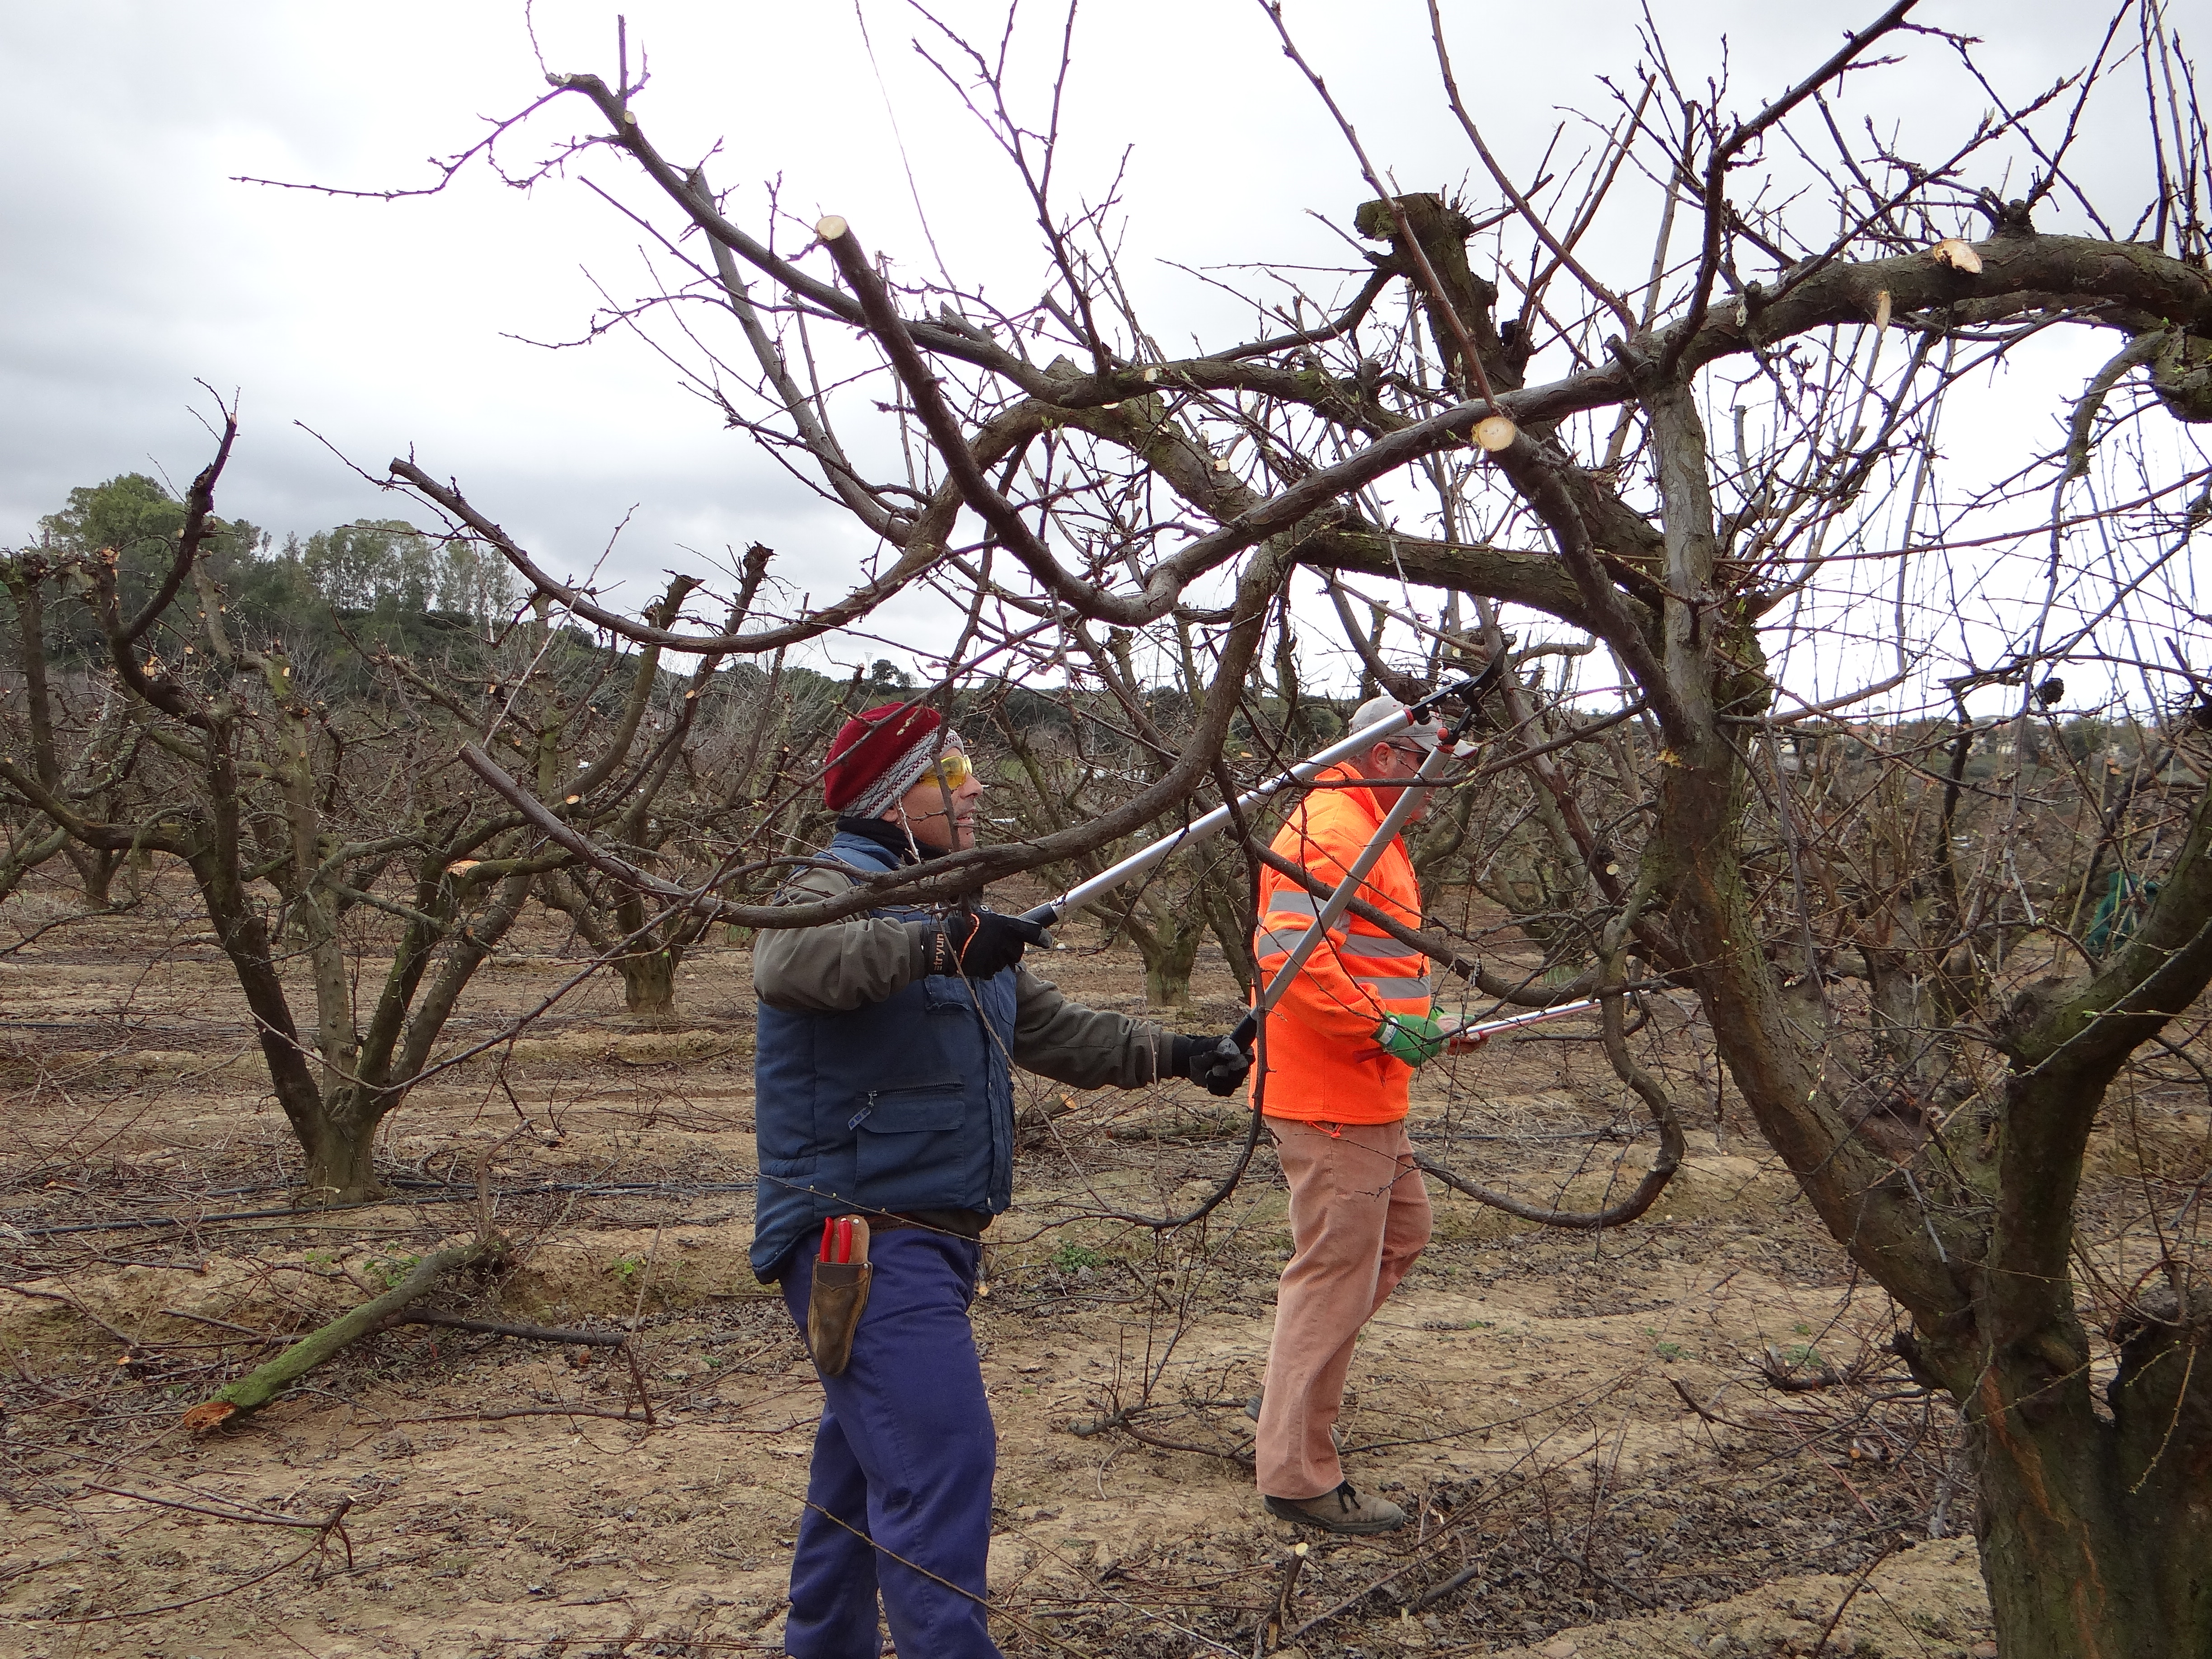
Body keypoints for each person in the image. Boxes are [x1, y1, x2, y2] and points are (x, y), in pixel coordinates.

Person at [751, 701, 1251, 1659]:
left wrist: (1184, 1054)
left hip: (930, 1237)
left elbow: (1054, 1031)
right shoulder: (831, 887)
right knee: (941, 1459)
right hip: (858, 1237)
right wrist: (937, 941)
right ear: (896, 798)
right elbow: (790, 962)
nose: (976, 785)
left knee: (864, 1471)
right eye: (951, 771)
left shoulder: (952, 904)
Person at [1247, 694, 1465, 1535]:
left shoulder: (1370, 829)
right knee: (1333, 1277)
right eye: (1425, 765)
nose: (1434, 786)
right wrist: (1385, 1027)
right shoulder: (1335, 829)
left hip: (1366, 1088)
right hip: (1335, 1097)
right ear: (1384, 757)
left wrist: (1425, 1025)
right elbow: (1290, 958)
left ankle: (1286, 1413)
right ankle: (1297, 1472)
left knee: (1401, 1234)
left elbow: (1368, 965)